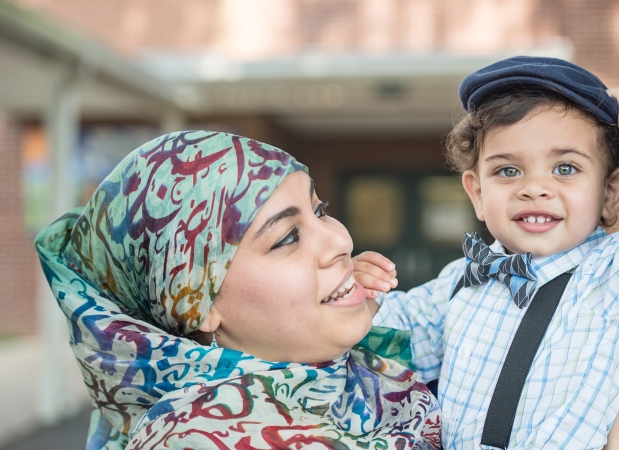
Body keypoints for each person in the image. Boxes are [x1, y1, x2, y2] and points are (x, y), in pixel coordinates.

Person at [355, 57, 619, 448]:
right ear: (478, 194)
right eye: (508, 171)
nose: (534, 188)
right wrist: (357, 298)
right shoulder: (462, 278)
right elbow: (397, 345)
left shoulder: (613, 275)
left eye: (565, 169)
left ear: (611, 192)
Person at [34, 131, 441, 450]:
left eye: (320, 210)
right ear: (194, 302)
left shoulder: (349, 369)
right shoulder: (197, 437)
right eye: (287, 237)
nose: (341, 242)